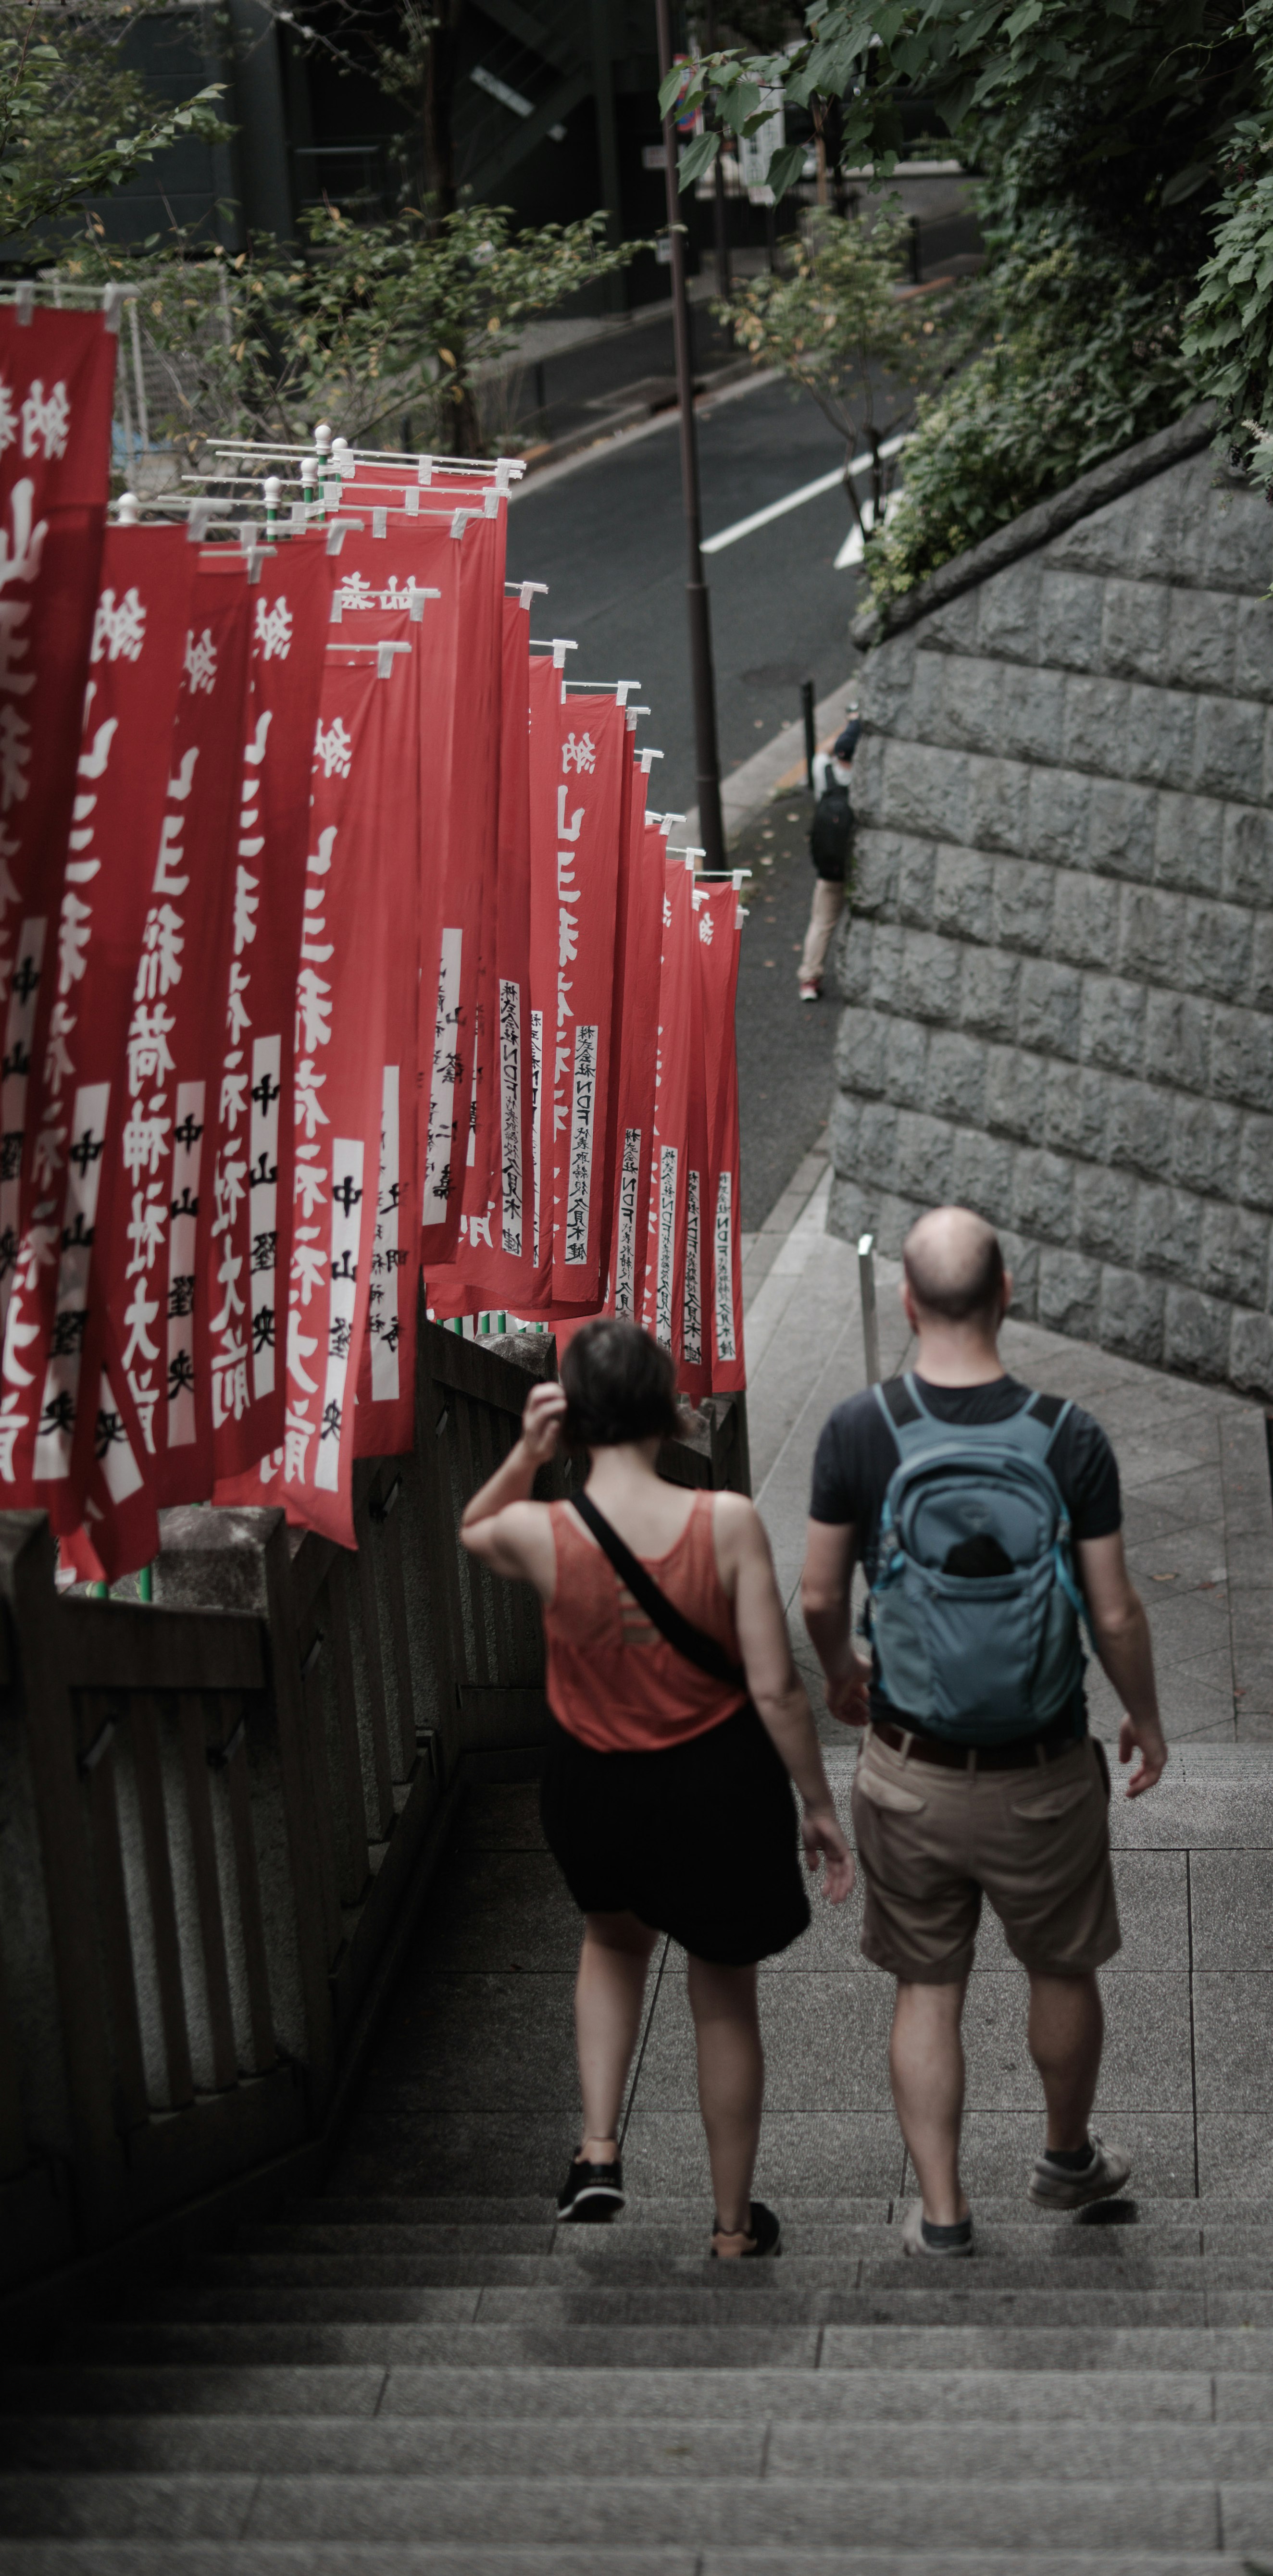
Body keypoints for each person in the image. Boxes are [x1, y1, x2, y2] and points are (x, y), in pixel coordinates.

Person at [800, 1205, 1167, 2257]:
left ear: (909, 1302)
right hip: (1045, 1770)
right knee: (1062, 1969)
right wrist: (1144, 1719)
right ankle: (1064, 2160)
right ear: (1007, 1294)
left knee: (929, 1986)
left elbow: (821, 1592)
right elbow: (1115, 1613)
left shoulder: (859, 1431)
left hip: (909, 1771)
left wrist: (842, 1675)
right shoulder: (1068, 1436)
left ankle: (945, 2215)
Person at [461, 1317, 854, 2259]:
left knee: (610, 1941)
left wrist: (527, 1449)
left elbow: (473, 1526)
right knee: (724, 1995)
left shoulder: (544, 1532)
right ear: (668, 1412)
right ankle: (730, 2228)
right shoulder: (723, 1521)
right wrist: (818, 1803)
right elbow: (772, 1687)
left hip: (591, 1787)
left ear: (574, 1416)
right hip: (715, 1786)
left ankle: (598, 2149)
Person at [798, 712, 861, 1003]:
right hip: (858, 865)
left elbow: (823, 752)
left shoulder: (823, 771)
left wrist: (846, 727)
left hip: (829, 869)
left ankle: (810, 979)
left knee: (822, 923)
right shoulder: (864, 782)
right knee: (860, 920)